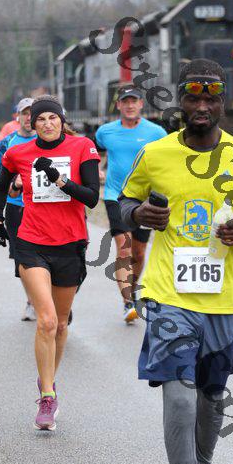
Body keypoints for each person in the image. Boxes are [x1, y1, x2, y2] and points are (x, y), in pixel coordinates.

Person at [119, 58, 233, 464]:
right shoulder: (156, 154)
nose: (201, 106)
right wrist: (139, 214)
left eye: (210, 98)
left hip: (223, 300)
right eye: (193, 97)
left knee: (210, 399)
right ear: (179, 100)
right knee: (179, 397)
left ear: (222, 103)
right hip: (168, 294)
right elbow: (123, 202)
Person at [0, 95, 100, 430]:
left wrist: (59, 179)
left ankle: (47, 378)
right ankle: (48, 396)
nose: (47, 123)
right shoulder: (18, 152)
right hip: (31, 242)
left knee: (62, 324)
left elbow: (92, 198)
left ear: (62, 121)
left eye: (53, 118)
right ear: (32, 123)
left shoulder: (82, 146)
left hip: (70, 243)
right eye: (40, 119)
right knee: (47, 321)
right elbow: (1, 185)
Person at [95, 86, 166, 323]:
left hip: (144, 200)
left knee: (139, 252)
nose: (129, 105)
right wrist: (96, 168)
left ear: (141, 104)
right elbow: (94, 153)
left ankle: (133, 291)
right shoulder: (105, 132)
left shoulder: (156, 132)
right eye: (125, 101)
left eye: (133, 101)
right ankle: (127, 303)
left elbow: (168, 159)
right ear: (118, 105)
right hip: (115, 196)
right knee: (124, 248)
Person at [0, 97, 37, 321]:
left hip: (43, 208)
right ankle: (32, 301)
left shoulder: (48, 140)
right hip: (16, 207)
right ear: (17, 116)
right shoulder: (8, 141)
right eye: (24, 113)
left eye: (32, 113)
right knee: (22, 260)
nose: (29, 117)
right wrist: (11, 182)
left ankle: (46, 298)